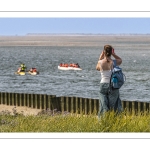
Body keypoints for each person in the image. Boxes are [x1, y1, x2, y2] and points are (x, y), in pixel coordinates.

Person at [96, 45, 122, 119]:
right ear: (111, 52)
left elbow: (97, 68)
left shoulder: (100, 62)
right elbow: (120, 59)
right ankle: (114, 120)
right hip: (113, 85)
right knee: (114, 104)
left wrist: (101, 56)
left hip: (103, 84)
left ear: (104, 52)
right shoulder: (114, 62)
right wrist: (113, 54)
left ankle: (102, 119)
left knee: (103, 104)